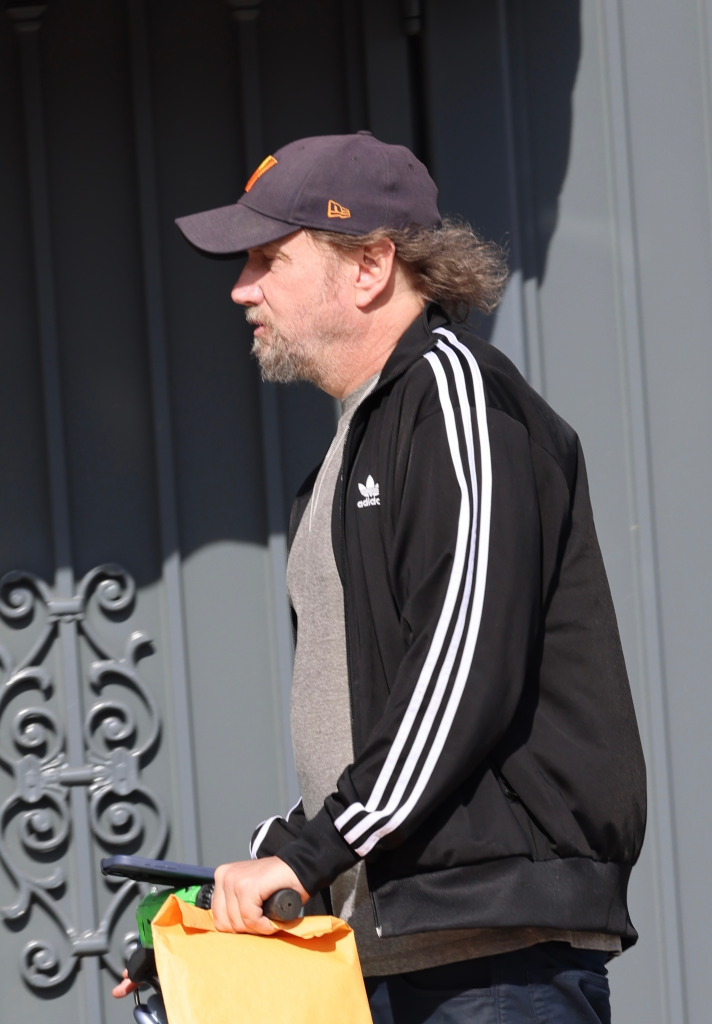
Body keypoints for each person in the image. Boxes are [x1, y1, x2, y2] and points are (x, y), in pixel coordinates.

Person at [118, 133, 647, 1022]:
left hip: (494, 965)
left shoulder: (458, 398)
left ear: (368, 266)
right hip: (393, 955)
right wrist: (233, 904)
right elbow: (379, 730)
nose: (243, 288)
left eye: (266, 257)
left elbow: (461, 667)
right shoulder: (339, 461)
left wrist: (308, 851)